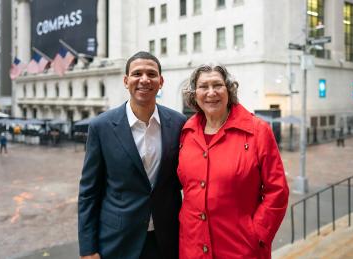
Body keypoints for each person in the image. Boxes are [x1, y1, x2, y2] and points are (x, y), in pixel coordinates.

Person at [78, 51, 186, 259]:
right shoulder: (101, 126)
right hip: (118, 241)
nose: (144, 79)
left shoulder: (179, 124)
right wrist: (88, 247)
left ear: (161, 81)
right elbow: (89, 192)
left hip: (167, 239)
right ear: (126, 81)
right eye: (137, 73)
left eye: (151, 74)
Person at [178, 64, 289, 258]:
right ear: (194, 94)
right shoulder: (186, 133)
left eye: (217, 85)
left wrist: (257, 235)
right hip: (192, 247)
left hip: (241, 249)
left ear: (229, 90)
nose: (211, 92)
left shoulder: (257, 131)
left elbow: (277, 191)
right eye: (204, 86)